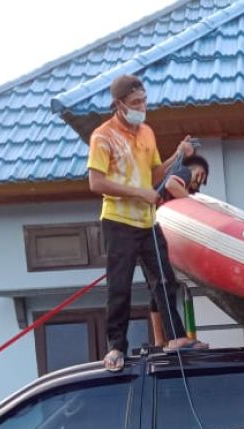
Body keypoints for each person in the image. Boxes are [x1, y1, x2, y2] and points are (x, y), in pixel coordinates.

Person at [87, 74, 205, 370]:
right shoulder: (102, 136)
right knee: (120, 286)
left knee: (164, 278)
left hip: (147, 220)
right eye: (135, 102)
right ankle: (116, 347)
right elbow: (96, 182)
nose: (142, 107)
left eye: (144, 101)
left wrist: (178, 155)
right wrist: (137, 192)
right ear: (118, 104)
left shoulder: (147, 133)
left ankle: (177, 336)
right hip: (117, 221)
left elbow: (153, 176)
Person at [148, 154, 210, 347]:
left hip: (144, 234)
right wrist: (197, 205)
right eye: (200, 174)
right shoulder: (181, 172)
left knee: (157, 289)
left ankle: (159, 340)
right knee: (165, 285)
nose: (199, 181)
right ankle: (177, 338)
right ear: (192, 169)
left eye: (203, 180)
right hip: (152, 234)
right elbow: (171, 186)